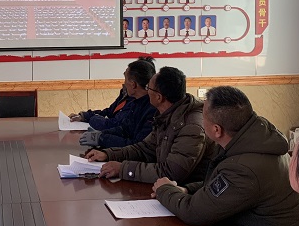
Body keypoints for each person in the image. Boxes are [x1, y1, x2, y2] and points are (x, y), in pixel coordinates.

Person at [152, 86, 299, 226]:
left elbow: (194, 212)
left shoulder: (244, 168)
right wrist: (186, 189)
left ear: (217, 130)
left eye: (203, 116)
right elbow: (220, 185)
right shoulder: (251, 138)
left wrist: (164, 189)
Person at [85, 66, 214, 184]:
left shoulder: (192, 127)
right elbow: (145, 148)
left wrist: (123, 169)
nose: (146, 91)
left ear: (159, 97)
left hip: (186, 193)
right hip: (166, 190)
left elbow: (171, 173)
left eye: (148, 88)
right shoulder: (166, 114)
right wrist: (108, 154)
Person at [78, 56, 156, 149]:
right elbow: (124, 129)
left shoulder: (152, 109)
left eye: (125, 79)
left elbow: (137, 146)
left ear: (133, 84)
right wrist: (101, 134)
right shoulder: (137, 102)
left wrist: (101, 139)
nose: (124, 83)